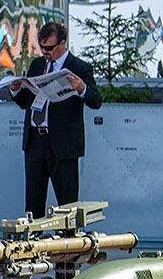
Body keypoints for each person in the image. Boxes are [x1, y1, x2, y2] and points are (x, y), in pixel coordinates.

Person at [8, 21, 103, 218]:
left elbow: (96, 100)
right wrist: (16, 90)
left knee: (67, 201)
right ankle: (32, 241)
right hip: (35, 139)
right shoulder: (37, 65)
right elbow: (26, 102)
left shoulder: (79, 67)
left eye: (49, 48)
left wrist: (81, 88)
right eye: (41, 47)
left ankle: (69, 244)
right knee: (33, 199)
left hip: (63, 142)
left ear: (62, 43)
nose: (45, 52)